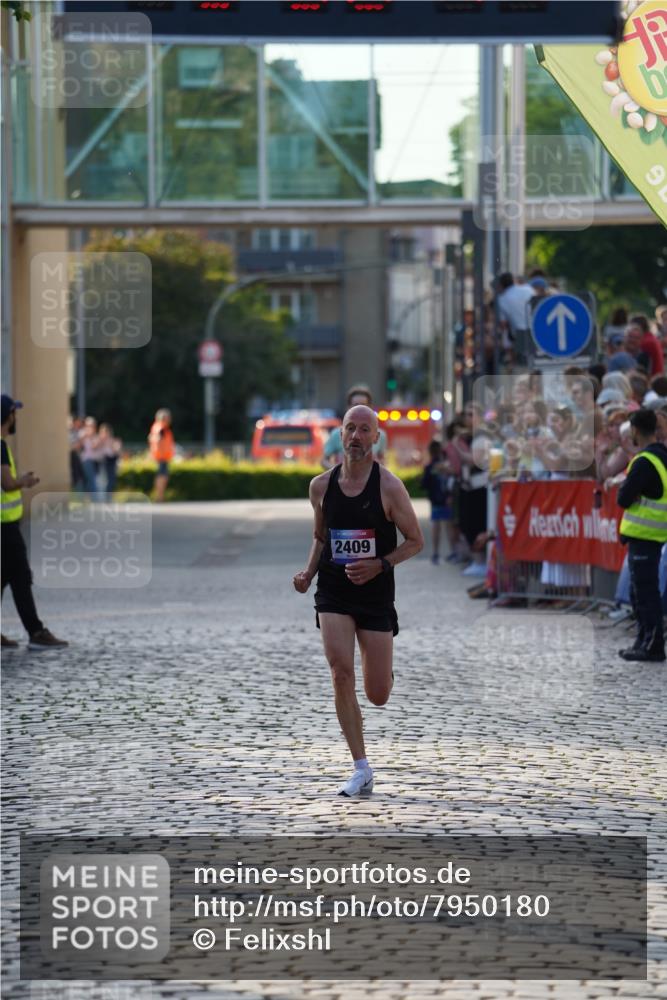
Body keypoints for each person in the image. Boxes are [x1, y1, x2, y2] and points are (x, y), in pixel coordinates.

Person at [293, 404, 423, 798]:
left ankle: (383, 672)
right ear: (341, 434)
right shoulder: (321, 486)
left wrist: (380, 564)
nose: (356, 437)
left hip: (375, 592)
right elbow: (320, 536)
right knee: (339, 672)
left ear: (376, 438)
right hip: (333, 588)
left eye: (365, 430)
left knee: (377, 694)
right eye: (350, 428)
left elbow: (416, 541)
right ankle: (361, 767)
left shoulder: (389, 487)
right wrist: (308, 573)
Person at [1, 395, 68, 650]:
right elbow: (6, 483)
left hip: (6, 526)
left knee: (4, 576)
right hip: (4, 528)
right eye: (14, 413)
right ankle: (36, 632)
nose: (16, 417)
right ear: (8, 416)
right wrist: (24, 481)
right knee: (20, 576)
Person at [617, 408, 667, 662]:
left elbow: (623, 498)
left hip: (644, 533)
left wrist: (631, 493)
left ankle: (653, 645)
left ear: (635, 430)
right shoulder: (662, 456)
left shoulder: (644, 461)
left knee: (645, 593)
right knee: (640, 593)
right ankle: (643, 640)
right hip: (655, 534)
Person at [322, 385, 387, 467]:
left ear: (370, 407)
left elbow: (383, 460)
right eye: (355, 405)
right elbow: (324, 460)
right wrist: (337, 472)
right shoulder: (336, 434)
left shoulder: (380, 435)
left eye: (363, 405)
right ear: (348, 407)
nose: (359, 409)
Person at [421, 439, 452, 564]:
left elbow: (424, 484)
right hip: (446, 499)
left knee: (436, 526)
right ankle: (453, 551)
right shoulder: (446, 466)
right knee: (449, 526)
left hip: (435, 500)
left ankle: (435, 553)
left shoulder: (429, 467)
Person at [148, 408, 175, 503]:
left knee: (162, 476)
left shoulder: (157, 427)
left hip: (161, 457)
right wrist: (161, 450)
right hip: (161, 457)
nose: (170, 419)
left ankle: (160, 496)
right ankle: (160, 497)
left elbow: (151, 438)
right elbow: (158, 439)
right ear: (163, 418)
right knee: (162, 477)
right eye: (168, 417)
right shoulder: (161, 428)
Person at [98, 423, 122, 500]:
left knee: (111, 480)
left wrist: (110, 443)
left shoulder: (114, 441)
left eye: (106, 432)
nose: (105, 434)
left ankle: (108, 498)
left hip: (112, 461)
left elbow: (117, 450)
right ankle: (104, 498)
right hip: (103, 461)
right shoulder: (99, 441)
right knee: (103, 481)